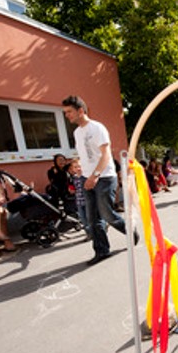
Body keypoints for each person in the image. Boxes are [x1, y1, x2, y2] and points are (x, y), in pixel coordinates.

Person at [62, 95, 131, 266]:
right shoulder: (77, 133)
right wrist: (82, 173)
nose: (67, 115)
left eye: (69, 111)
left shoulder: (97, 128)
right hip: (87, 178)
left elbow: (106, 154)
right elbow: (86, 156)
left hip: (105, 177)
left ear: (81, 111)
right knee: (93, 219)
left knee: (107, 215)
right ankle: (102, 251)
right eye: (65, 112)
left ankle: (130, 230)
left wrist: (95, 175)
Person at [67, 159, 90, 239]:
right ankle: (89, 234)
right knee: (83, 219)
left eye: (80, 166)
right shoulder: (72, 179)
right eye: (75, 167)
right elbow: (72, 190)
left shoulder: (87, 176)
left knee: (90, 218)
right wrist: (71, 190)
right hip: (79, 201)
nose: (78, 168)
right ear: (73, 169)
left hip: (88, 201)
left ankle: (95, 232)